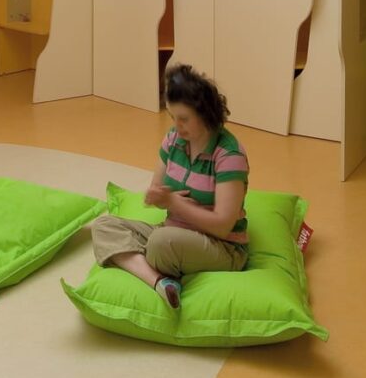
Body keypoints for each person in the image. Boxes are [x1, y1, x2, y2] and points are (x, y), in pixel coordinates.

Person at [87, 64, 250, 309]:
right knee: (103, 226)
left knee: (160, 243)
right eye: (173, 117)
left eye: (184, 119)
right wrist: (157, 197)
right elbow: (156, 192)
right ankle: (160, 282)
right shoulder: (174, 140)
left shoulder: (229, 154)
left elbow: (222, 225)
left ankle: (138, 262)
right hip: (173, 232)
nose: (177, 126)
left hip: (221, 245)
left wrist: (175, 203)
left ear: (205, 113)